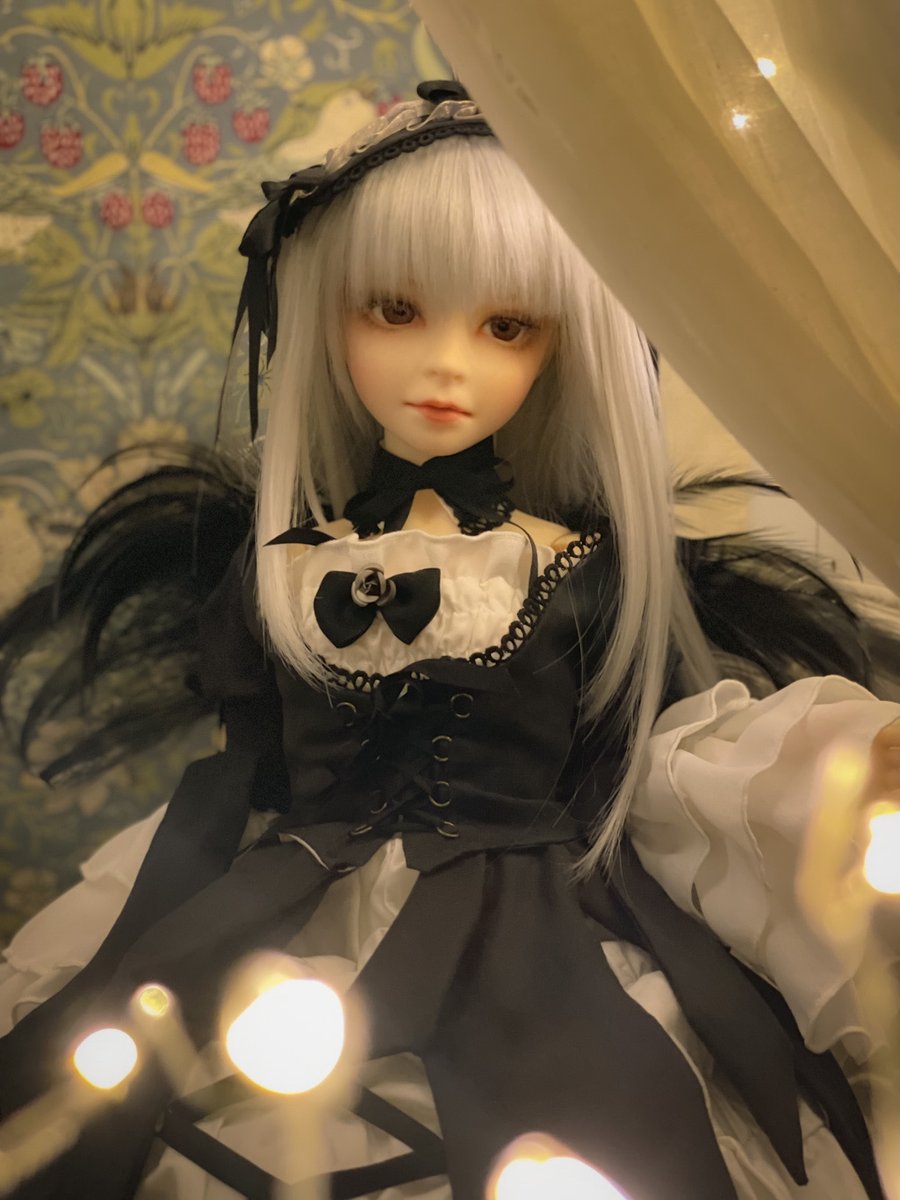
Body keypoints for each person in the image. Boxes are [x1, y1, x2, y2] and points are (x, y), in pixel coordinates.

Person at [0, 81, 899, 1200]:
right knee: (129, 1097)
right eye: (394, 311)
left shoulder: (581, 568)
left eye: (506, 326)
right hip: (292, 904)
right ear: (328, 311)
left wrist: (843, 766)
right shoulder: (279, 567)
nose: (445, 366)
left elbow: (663, 763)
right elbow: (244, 779)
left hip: (527, 929)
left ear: (557, 347)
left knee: (579, 1132)